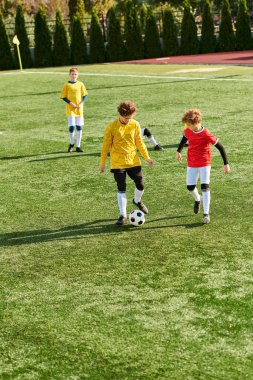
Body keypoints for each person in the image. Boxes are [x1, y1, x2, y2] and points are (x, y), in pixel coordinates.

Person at [99, 100, 154, 226]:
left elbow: (140, 142)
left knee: (140, 184)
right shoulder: (111, 127)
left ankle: (137, 200)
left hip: (133, 160)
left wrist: (147, 157)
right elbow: (105, 147)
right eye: (126, 117)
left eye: (131, 117)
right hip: (117, 163)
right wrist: (102, 163)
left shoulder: (135, 124)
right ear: (120, 114)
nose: (129, 119)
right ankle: (123, 215)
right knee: (121, 187)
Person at [176, 108, 230, 224]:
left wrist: (226, 164)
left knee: (205, 186)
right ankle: (197, 199)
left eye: (188, 124)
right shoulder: (188, 130)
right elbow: (185, 138)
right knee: (190, 187)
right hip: (192, 163)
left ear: (195, 123)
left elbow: (221, 147)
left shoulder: (206, 134)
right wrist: (178, 151)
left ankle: (206, 214)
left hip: (205, 163)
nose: (187, 126)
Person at [60, 67, 88, 152]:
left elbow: (85, 95)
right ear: (69, 75)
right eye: (72, 74)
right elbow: (63, 96)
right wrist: (70, 103)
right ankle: (71, 143)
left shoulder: (81, 84)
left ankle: (78, 146)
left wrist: (81, 103)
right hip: (70, 109)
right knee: (72, 126)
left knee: (79, 127)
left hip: (79, 109)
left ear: (78, 75)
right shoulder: (66, 85)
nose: (74, 76)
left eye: (75, 74)